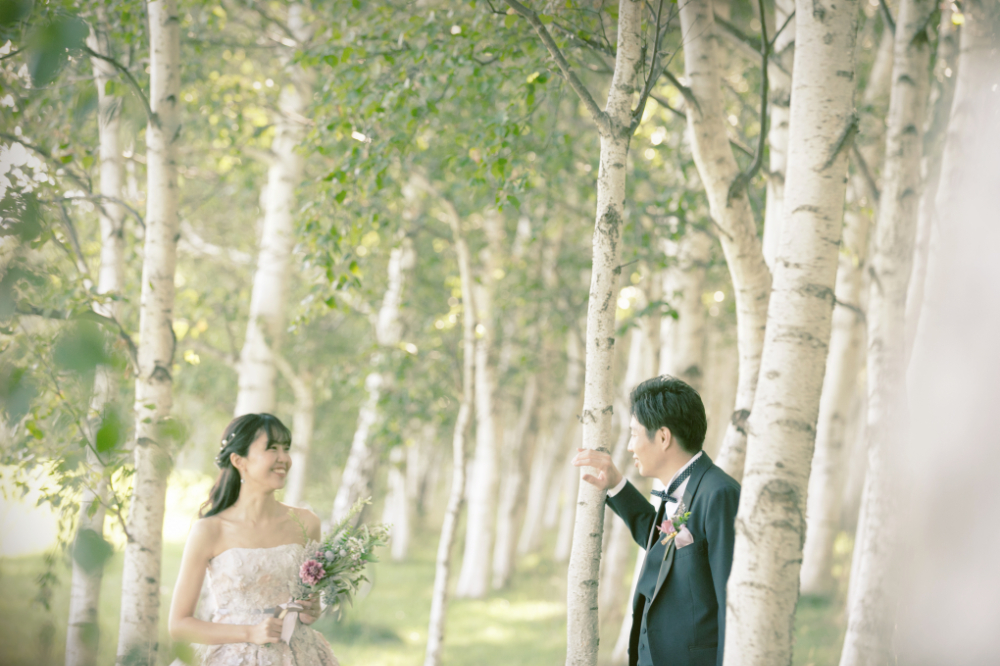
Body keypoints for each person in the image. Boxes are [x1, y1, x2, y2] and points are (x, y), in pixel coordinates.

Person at [573, 376, 739, 666]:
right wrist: (616, 484)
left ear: (663, 437)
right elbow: (663, 548)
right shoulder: (682, 487)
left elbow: (733, 602)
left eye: (634, 434)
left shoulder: (719, 493)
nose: (629, 447)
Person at [168, 413, 339, 665]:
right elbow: (179, 625)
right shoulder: (210, 530)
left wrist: (312, 609)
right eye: (272, 448)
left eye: (286, 448)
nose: (284, 458)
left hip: (299, 655)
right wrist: (250, 632)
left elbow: (309, 600)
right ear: (239, 460)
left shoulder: (307, 523)